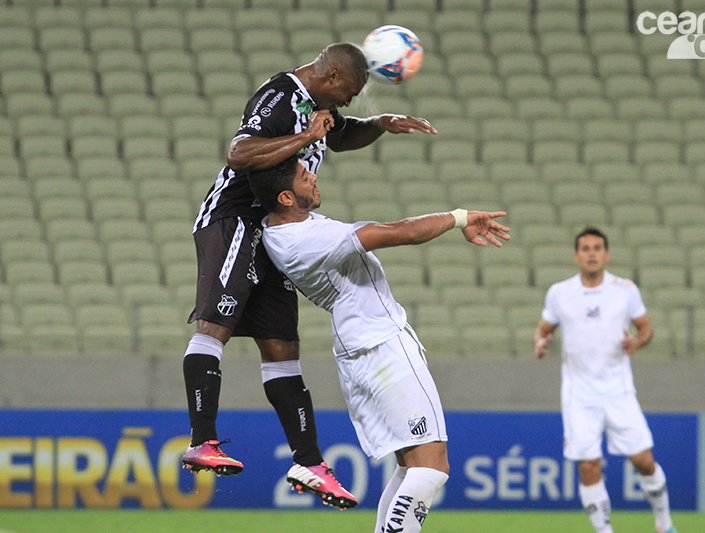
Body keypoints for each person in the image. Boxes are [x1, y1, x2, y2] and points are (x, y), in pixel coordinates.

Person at [180, 42, 437, 510]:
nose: (350, 102)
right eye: (351, 93)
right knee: (216, 324)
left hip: (275, 229)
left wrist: (380, 125)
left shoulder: (317, 106)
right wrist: (302, 139)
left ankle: (308, 462)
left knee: (282, 345)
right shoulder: (280, 93)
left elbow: (338, 136)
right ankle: (202, 438)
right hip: (236, 216)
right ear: (333, 75)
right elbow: (239, 153)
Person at [248, 154, 509, 532]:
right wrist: (460, 217)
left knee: (411, 466)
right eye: (306, 178)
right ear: (286, 197)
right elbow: (401, 232)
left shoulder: (277, 230)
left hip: (359, 348)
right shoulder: (310, 239)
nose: (314, 178)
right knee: (433, 467)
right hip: (382, 346)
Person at [533, 227, 678, 533]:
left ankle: (664, 525)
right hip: (578, 392)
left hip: (618, 389)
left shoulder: (625, 289)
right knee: (587, 464)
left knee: (643, 460)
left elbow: (646, 327)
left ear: (607, 254)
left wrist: (638, 342)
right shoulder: (560, 292)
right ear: (576, 255)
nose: (591, 253)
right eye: (585, 248)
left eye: (597, 248)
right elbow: (544, 328)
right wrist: (540, 342)